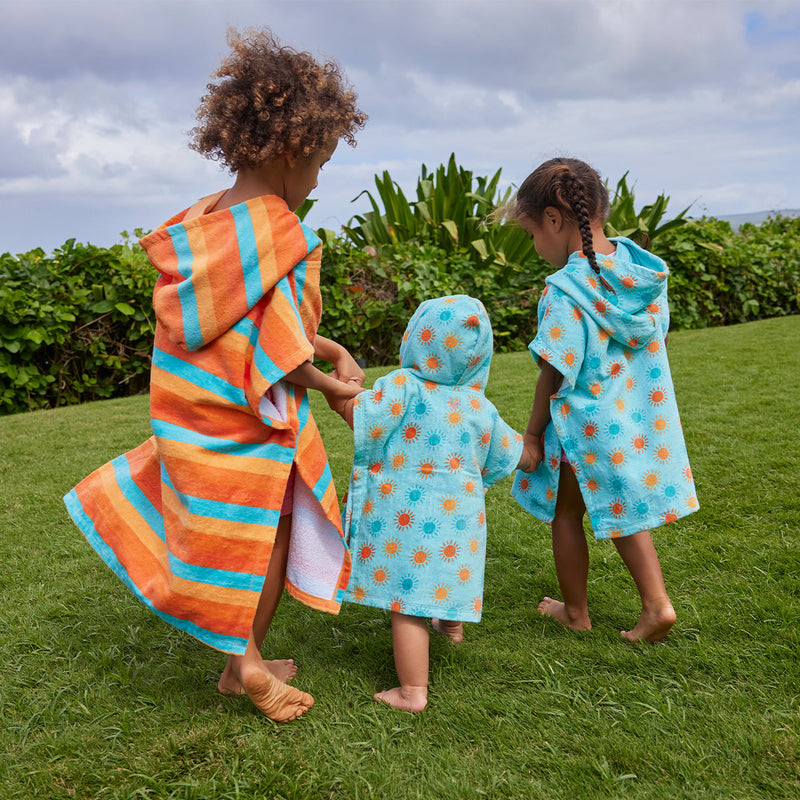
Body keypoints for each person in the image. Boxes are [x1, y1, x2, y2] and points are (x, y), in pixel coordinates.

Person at [63, 28, 367, 722]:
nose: (319, 178)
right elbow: (282, 349)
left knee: (227, 536)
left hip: (192, 417)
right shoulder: (281, 236)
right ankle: (248, 667)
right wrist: (334, 383)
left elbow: (250, 325)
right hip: (251, 425)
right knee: (265, 537)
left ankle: (243, 662)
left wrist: (330, 346)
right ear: (291, 151)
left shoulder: (203, 227)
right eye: (319, 162)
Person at [509, 157, 699, 642]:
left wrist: (532, 433)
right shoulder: (642, 275)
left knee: (567, 513)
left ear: (554, 219)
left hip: (584, 424)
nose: (537, 246)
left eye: (533, 233)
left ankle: (594, 610)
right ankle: (649, 604)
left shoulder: (565, 291)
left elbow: (554, 368)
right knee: (623, 511)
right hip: (634, 417)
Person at [334, 295, 538, 712]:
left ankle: (412, 692)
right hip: (456, 532)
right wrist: (536, 447)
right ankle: (449, 622)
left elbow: (360, 415)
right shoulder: (478, 407)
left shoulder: (402, 388)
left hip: (404, 526)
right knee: (443, 577)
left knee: (407, 606)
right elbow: (516, 455)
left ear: (415, 340)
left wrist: (344, 394)